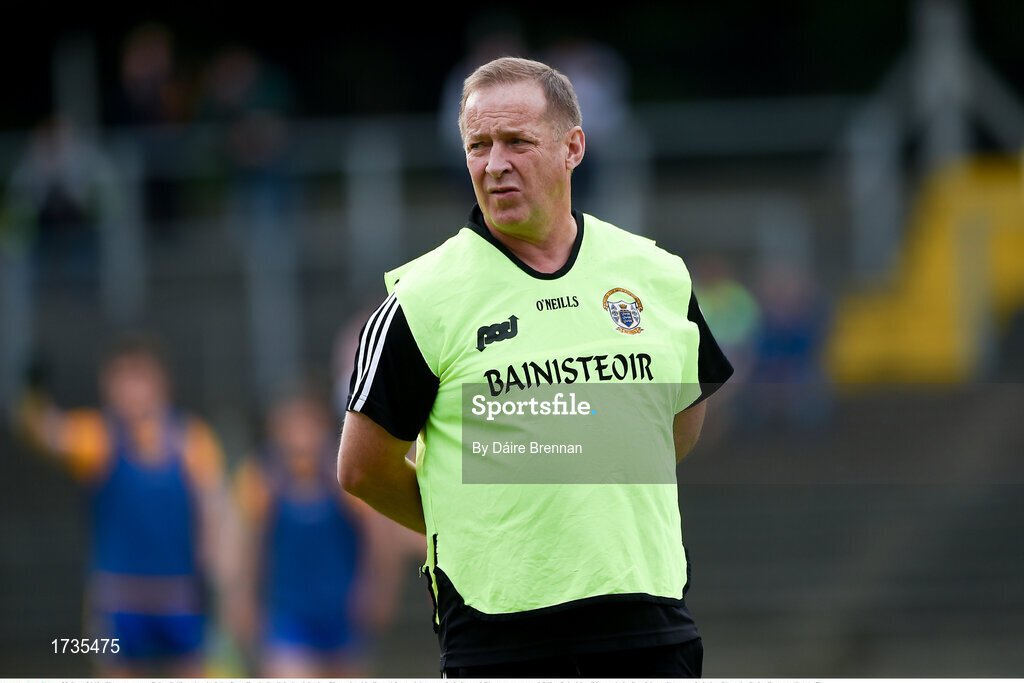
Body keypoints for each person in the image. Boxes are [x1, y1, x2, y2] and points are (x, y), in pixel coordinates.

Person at [337, 57, 733, 677]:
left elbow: (679, 424)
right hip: (500, 634)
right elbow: (362, 468)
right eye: (478, 146)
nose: (495, 164)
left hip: (649, 623)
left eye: (517, 142)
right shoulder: (422, 298)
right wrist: (470, 524)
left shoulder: (655, 274)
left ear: (573, 146)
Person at [15, 334, 228, 677]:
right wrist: (32, 394)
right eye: (121, 378)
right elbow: (43, 433)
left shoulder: (191, 440)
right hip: (117, 599)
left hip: (179, 596)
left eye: (139, 376)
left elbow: (213, 511)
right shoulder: (97, 438)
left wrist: (216, 578)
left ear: (161, 382)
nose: (131, 389)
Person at [230, 387, 371, 677]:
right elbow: (249, 545)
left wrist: (374, 588)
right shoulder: (262, 480)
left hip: (341, 616)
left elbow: (375, 539)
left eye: (309, 425)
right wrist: (243, 597)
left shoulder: (345, 479)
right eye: (292, 426)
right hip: (287, 617)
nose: (301, 436)